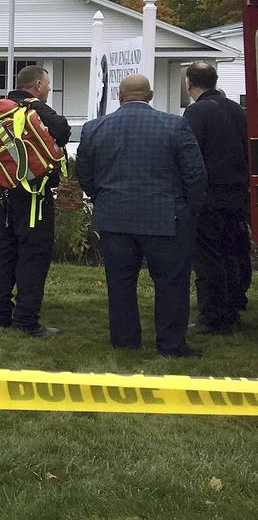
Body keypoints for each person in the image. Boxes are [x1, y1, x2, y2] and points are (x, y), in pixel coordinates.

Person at [77, 74, 207, 358]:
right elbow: (195, 175)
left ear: (120, 97)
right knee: (171, 283)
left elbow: (84, 175)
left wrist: (102, 198)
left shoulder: (94, 128)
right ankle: (171, 345)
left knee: (120, 283)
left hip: (114, 218)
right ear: (150, 95)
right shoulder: (176, 125)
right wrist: (189, 210)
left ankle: (125, 342)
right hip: (166, 218)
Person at [0, 65, 71, 337]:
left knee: (2, 253)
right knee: (33, 256)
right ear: (35, 86)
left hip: (0, 194)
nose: (48, 88)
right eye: (46, 84)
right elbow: (63, 130)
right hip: (33, 196)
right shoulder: (35, 109)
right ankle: (26, 321)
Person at [182, 61, 252, 334]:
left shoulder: (195, 113)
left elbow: (191, 156)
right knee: (234, 252)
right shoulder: (238, 110)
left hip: (210, 195)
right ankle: (234, 306)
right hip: (238, 195)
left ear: (189, 83)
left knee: (209, 256)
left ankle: (212, 316)